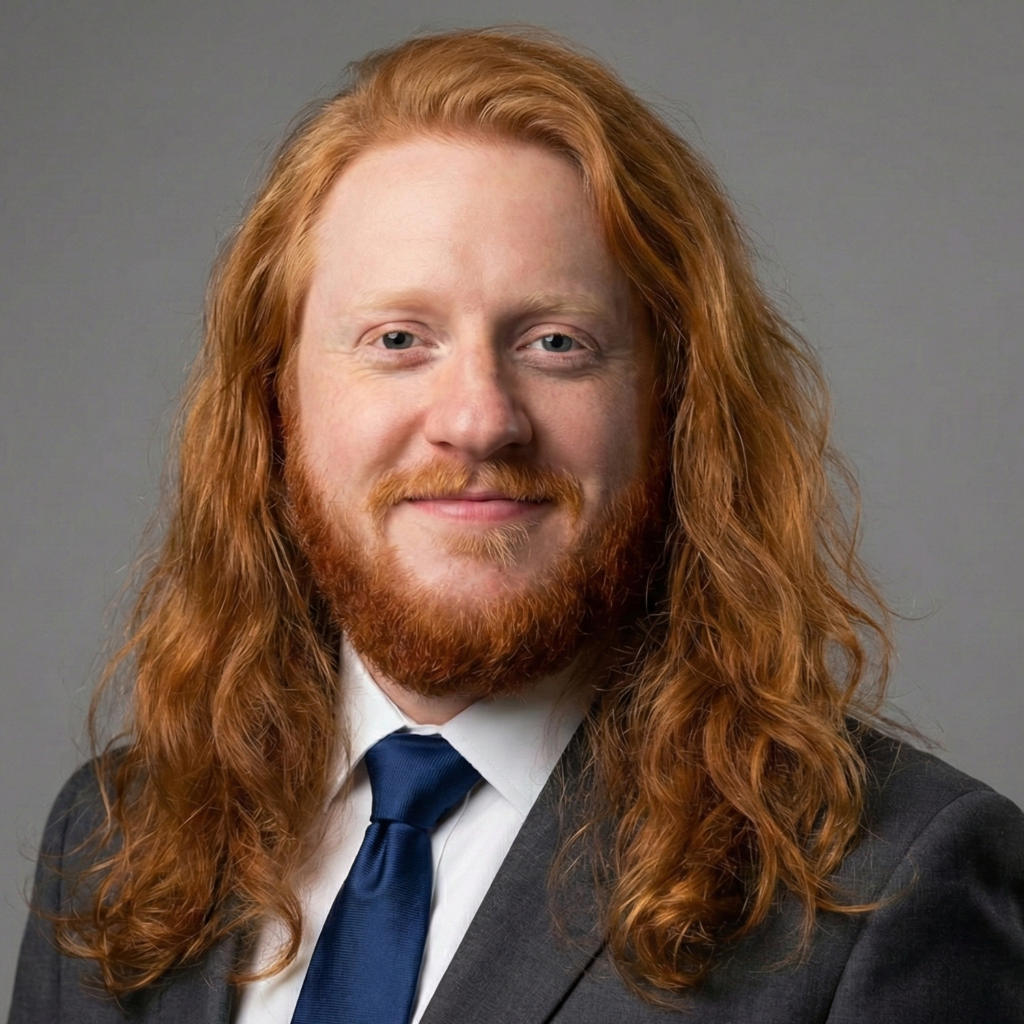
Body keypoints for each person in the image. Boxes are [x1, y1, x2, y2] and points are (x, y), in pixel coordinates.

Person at [8, 27, 1024, 1024]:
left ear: (672, 405)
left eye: (556, 342)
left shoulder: (893, 884)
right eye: (399, 339)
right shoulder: (117, 830)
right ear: (275, 402)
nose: (478, 418)